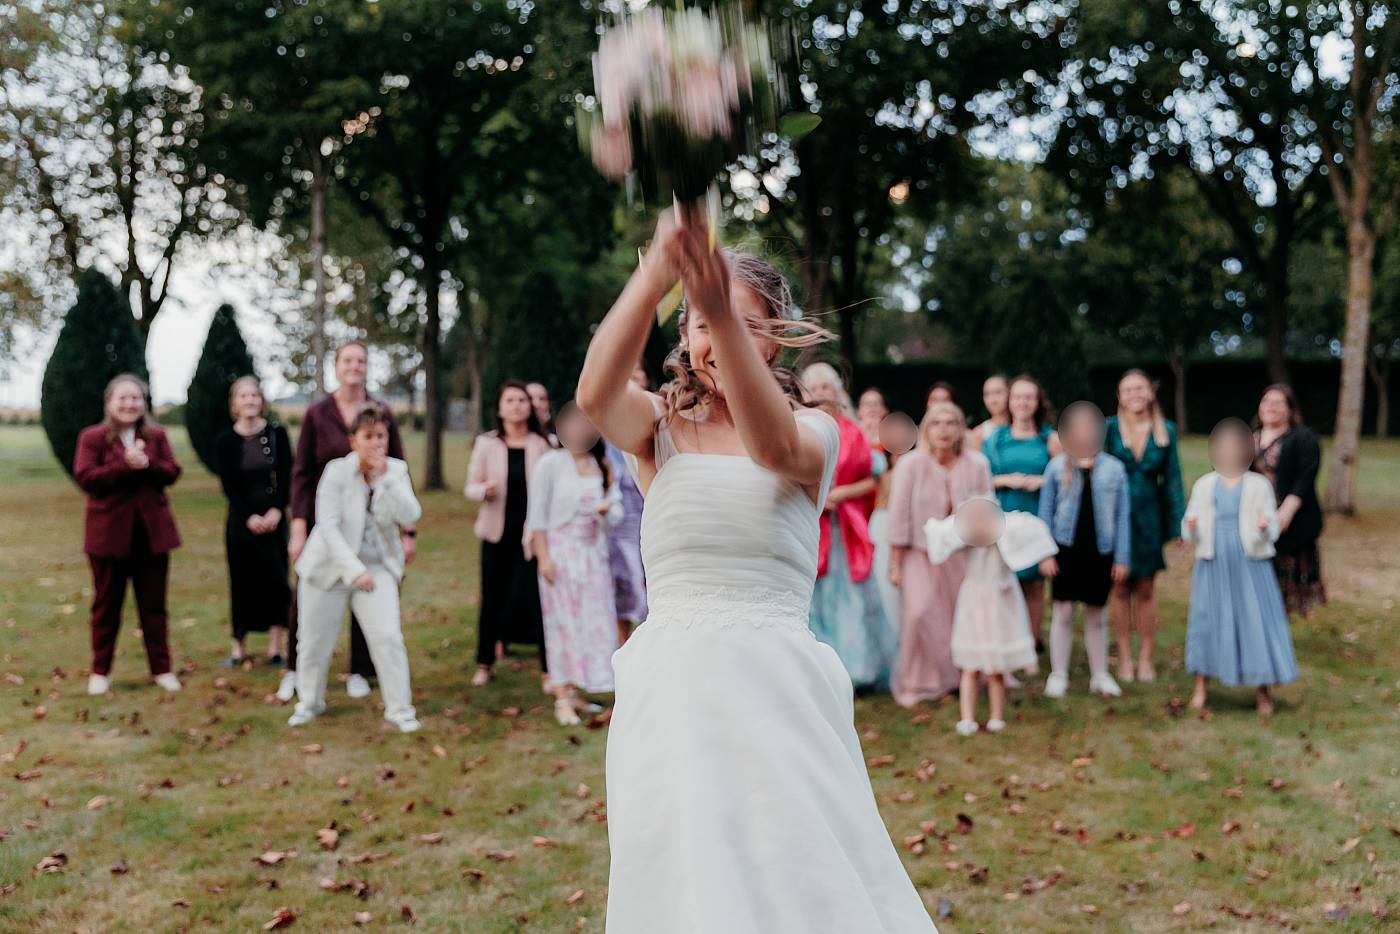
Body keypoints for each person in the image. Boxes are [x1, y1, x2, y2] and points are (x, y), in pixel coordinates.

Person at [576, 208, 936, 932]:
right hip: (672, 689)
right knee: (687, 878)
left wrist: (716, 306)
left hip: (775, 688)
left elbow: (770, 447)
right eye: (702, 324)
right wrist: (655, 275)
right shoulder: (659, 429)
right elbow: (594, 397)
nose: (716, 336)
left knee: (794, 873)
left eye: (743, 323)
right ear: (684, 336)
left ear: (775, 336)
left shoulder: (815, 432)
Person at [285, 341, 415, 703]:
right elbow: (301, 472)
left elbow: (399, 467)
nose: (355, 366)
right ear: (337, 366)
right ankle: (298, 674)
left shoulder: (380, 410)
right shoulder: (318, 412)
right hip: (327, 519)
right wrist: (299, 525)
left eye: (361, 360)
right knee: (308, 604)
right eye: (348, 360)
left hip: (374, 521)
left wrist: (408, 532)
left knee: (371, 600)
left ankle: (359, 670)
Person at [74, 375, 184, 696]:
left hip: (151, 535)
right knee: (106, 607)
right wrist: (124, 465)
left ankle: (162, 669)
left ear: (143, 403)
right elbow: (86, 477)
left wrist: (147, 464)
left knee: (154, 607)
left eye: (135, 398)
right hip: (108, 537)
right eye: (122, 398)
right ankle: (100, 671)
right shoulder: (93, 438)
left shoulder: (156, 435)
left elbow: (172, 472)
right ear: (109, 403)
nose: (129, 404)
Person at [1183, 419, 1297, 716]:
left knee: (1255, 620)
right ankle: (1201, 686)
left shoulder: (1259, 485)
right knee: (1207, 620)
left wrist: (1264, 527)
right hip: (1213, 561)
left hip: (1249, 562)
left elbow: (1271, 527)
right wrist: (1191, 528)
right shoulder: (1204, 485)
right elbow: (1190, 525)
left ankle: (1263, 690)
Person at [887, 401, 993, 707]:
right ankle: (921, 680)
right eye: (936, 423)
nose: (943, 430)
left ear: (960, 429)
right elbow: (899, 516)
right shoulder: (911, 464)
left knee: (960, 615)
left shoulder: (977, 463)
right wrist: (895, 564)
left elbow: (988, 508)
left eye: (950, 423)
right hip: (919, 553)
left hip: (963, 554)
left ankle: (964, 677)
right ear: (926, 430)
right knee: (919, 613)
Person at [926, 497, 1057, 735]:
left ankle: (997, 717)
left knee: (996, 668)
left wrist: (1045, 555)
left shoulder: (1005, 534)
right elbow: (939, 532)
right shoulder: (966, 537)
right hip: (974, 606)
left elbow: (1031, 527)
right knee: (970, 667)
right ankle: (967, 718)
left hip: (998, 607)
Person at [801, 363, 896, 691]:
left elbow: (873, 481)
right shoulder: (800, 430)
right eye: (815, 388)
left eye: (826, 387)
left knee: (851, 597)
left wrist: (840, 494)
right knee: (816, 597)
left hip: (845, 530)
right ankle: (818, 668)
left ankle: (857, 668)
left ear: (837, 392)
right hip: (812, 526)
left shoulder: (852, 432)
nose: (821, 393)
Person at [527, 404, 624, 726]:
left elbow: (617, 512)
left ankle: (577, 690)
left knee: (590, 623)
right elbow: (537, 516)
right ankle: (561, 696)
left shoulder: (602, 464)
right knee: (562, 623)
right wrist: (544, 557)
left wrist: (607, 511)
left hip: (593, 557)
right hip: (561, 555)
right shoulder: (551, 464)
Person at [1038, 402, 1131, 699]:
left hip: (1100, 551)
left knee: (1096, 614)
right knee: (1063, 612)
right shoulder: (1056, 467)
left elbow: (1123, 516)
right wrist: (1045, 553)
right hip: (1065, 550)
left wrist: (1122, 557)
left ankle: (1100, 674)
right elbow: (1045, 512)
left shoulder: (1114, 469)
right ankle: (1058, 674)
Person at [464, 380, 554, 687]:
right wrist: (483, 491)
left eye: (522, 400)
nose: (516, 405)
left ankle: (549, 669)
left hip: (533, 534)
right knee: (492, 598)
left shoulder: (544, 444)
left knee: (539, 600)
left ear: (530, 407)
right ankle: (485, 663)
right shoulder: (487, 443)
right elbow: (470, 486)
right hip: (496, 533)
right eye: (510, 400)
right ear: (500, 409)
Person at [1104, 369, 1185, 683]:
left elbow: (1173, 479)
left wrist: (1177, 525)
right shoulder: (1109, 429)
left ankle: (1146, 659)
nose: (1135, 394)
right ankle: (1124, 658)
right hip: (1115, 517)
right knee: (1120, 586)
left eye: (1140, 388)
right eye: (1128, 390)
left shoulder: (1166, 430)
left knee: (1146, 587)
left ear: (1150, 393)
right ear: (1120, 396)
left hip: (1150, 516)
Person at [214, 376, 292, 668]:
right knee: (242, 581)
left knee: (276, 580)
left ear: (262, 401)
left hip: (273, 519)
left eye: (254, 395)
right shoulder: (225, 441)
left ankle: (275, 648)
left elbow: (287, 475)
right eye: (243, 396)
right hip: (241, 521)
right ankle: (238, 647)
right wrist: (249, 517)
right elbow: (228, 486)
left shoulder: (277, 434)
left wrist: (277, 510)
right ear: (234, 403)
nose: (250, 400)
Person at [982, 375, 1060, 654]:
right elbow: (980, 478)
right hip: (1005, 518)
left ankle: (1031, 644)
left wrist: (1042, 481)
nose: (1022, 403)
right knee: (1005, 583)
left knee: (1034, 586)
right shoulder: (995, 439)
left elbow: (1064, 478)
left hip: (1038, 517)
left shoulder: (1048, 439)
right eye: (1017, 397)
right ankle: (1006, 645)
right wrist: (1006, 480)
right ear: (1009, 401)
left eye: (1029, 397)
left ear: (1037, 402)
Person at [1253, 384, 1326, 616]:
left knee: (1282, 591)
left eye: (1278, 402)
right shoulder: (1249, 438)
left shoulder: (1303, 438)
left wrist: (1285, 513)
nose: (1271, 407)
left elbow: (1305, 477)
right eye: (1266, 401)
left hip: (1290, 526)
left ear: (1290, 409)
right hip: (1254, 524)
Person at [605, 365, 652, 645]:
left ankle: (649, 638)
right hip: (620, 515)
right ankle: (622, 641)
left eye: (637, 376)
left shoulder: (657, 417)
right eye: (627, 375)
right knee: (623, 576)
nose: (632, 381)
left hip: (651, 509)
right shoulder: (604, 422)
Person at [966, 373, 1010, 450]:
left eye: (998, 392)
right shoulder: (979, 433)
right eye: (987, 394)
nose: (992, 400)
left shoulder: (1025, 429)